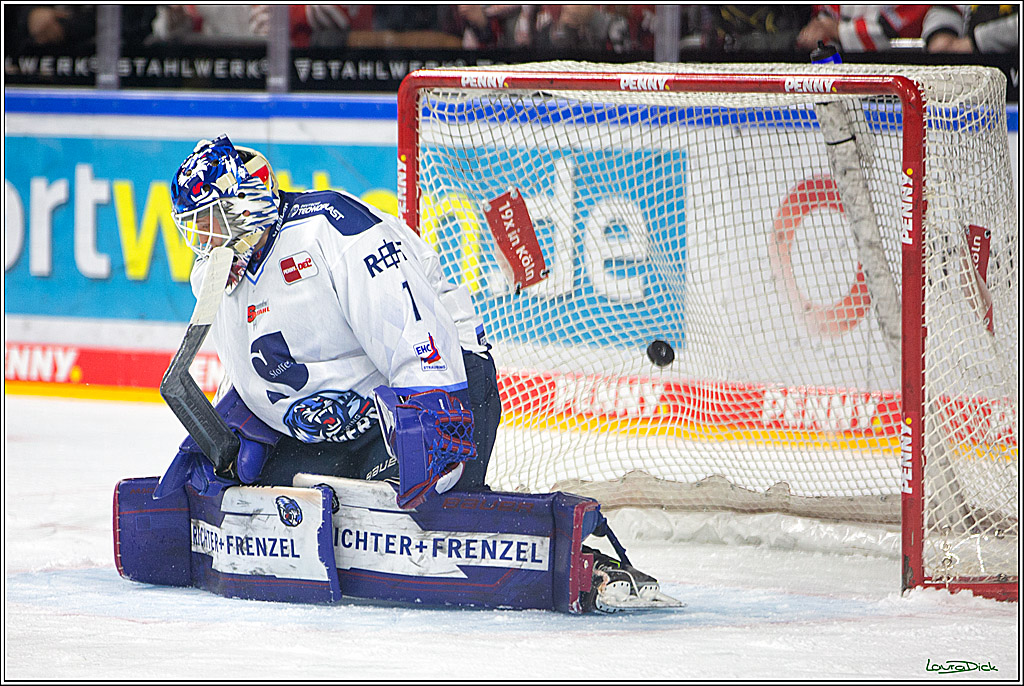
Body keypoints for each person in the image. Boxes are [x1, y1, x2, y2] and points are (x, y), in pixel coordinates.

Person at [156, 135, 677, 612]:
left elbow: (417, 331)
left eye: (212, 220)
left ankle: (584, 562)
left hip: (438, 391)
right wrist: (232, 432)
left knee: (418, 520)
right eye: (194, 228)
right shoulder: (219, 273)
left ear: (248, 203)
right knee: (272, 512)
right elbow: (248, 372)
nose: (205, 240)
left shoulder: (333, 231)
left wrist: (432, 425)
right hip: (344, 429)